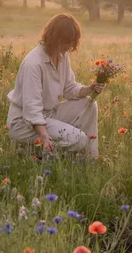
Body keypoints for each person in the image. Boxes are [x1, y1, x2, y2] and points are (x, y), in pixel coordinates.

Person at [7, 13, 104, 158]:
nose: (70, 46)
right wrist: (44, 136)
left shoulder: (61, 56)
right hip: (24, 123)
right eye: (67, 41)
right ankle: (40, 154)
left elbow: (69, 88)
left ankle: (90, 157)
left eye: (73, 41)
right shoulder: (33, 64)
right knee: (79, 139)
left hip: (49, 114)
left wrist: (89, 89)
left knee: (90, 104)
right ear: (55, 38)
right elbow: (32, 108)